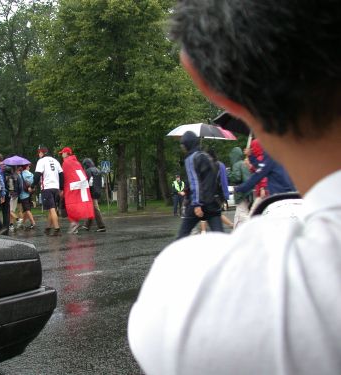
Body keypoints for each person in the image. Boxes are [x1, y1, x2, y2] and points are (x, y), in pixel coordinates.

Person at [129, 1, 341, 374]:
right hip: (221, 201)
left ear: (211, 84)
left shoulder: (192, 294)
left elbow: (205, 182)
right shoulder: (210, 158)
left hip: (210, 204)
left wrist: (203, 200)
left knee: (195, 232)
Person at [175, 131, 224, 239]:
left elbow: (195, 182)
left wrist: (197, 204)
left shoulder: (190, 158)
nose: (182, 147)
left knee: (182, 235)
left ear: (187, 144)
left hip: (198, 204)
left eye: (183, 145)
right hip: (212, 203)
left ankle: (175, 255)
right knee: (220, 237)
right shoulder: (207, 156)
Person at [59, 147, 94, 234]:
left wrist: (62, 188)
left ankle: (74, 223)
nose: (61, 155)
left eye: (62, 153)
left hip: (72, 186)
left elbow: (64, 176)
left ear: (66, 153)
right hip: (81, 185)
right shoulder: (77, 162)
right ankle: (75, 224)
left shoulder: (66, 163)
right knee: (79, 204)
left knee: (71, 205)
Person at [31, 146, 63, 236]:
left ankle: (57, 229)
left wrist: (33, 186)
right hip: (56, 187)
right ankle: (48, 228)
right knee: (51, 208)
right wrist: (62, 188)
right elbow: (61, 174)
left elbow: (37, 175)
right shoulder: (55, 161)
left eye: (39, 153)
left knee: (52, 209)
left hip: (47, 187)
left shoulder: (41, 161)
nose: (38, 155)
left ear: (42, 153)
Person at [228, 146, 252, 228]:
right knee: (239, 215)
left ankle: (254, 227)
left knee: (242, 214)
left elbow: (236, 177)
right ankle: (236, 233)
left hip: (242, 193)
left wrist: (228, 174)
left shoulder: (236, 164)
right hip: (249, 192)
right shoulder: (245, 163)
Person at [81, 157, 106, 232]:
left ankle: (101, 226)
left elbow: (87, 182)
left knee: (95, 208)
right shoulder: (98, 170)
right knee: (91, 208)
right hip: (97, 191)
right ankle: (87, 225)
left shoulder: (88, 171)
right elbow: (102, 182)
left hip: (91, 191)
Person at [19, 164, 36, 230]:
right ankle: (22, 223)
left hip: (23, 194)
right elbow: (34, 183)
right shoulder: (31, 174)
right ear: (26, 167)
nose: (29, 167)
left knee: (27, 209)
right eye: (29, 166)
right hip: (30, 193)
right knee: (26, 209)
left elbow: (20, 185)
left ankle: (33, 223)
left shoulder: (21, 175)